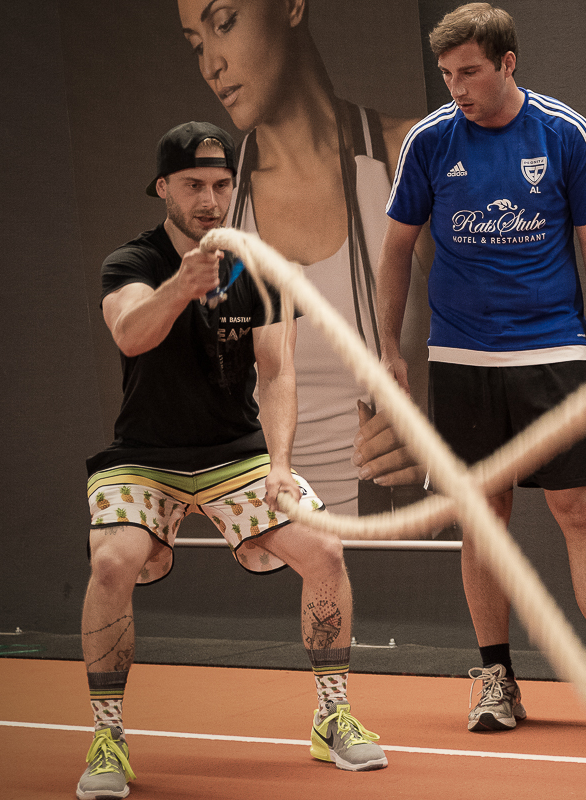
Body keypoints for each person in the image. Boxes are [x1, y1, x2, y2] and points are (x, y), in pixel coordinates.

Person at [77, 122, 386, 800]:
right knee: (112, 561)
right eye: (193, 185)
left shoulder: (265, 266)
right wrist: (183, 287)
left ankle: (331, 714)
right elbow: (132, 334)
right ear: (163, 188)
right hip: (143, 458)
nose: (210, 199)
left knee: (325, 551)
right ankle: (107, 736)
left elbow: (276, 374)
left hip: (236, 457)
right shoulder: (130, 262)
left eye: (221, 184)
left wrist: (279, 464)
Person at [375, 3, 586, 735]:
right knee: (485, 517)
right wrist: (386, 351)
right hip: (461, 356)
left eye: (469, 71)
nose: (457, 88)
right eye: (446, 75)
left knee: (581, 511)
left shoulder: (564, 131)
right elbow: (397, 249)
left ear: (507, 63)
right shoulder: (432, 142)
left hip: (554, 349)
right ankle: (497, 680)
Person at [179, 0, 430, 515]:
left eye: (224, 23)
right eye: (197, 45)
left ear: (292, 6)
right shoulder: (213, 211)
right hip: (266, 558)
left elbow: (514, 364)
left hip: (403, 559)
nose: (210, 66)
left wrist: (440, 438)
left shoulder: (411, 155)